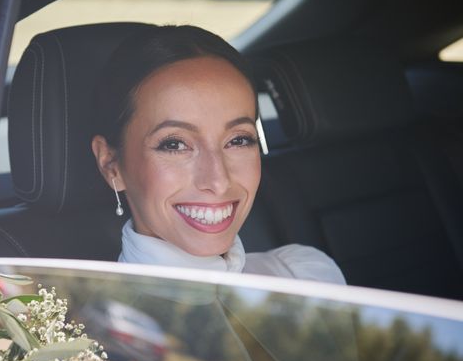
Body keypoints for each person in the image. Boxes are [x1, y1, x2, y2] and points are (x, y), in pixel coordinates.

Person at [91, 25, 345, 284]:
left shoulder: (305, 277)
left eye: (238, 140)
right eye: (175, 144)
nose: (218, 180)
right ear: (110, 164)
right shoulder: (82, 320)